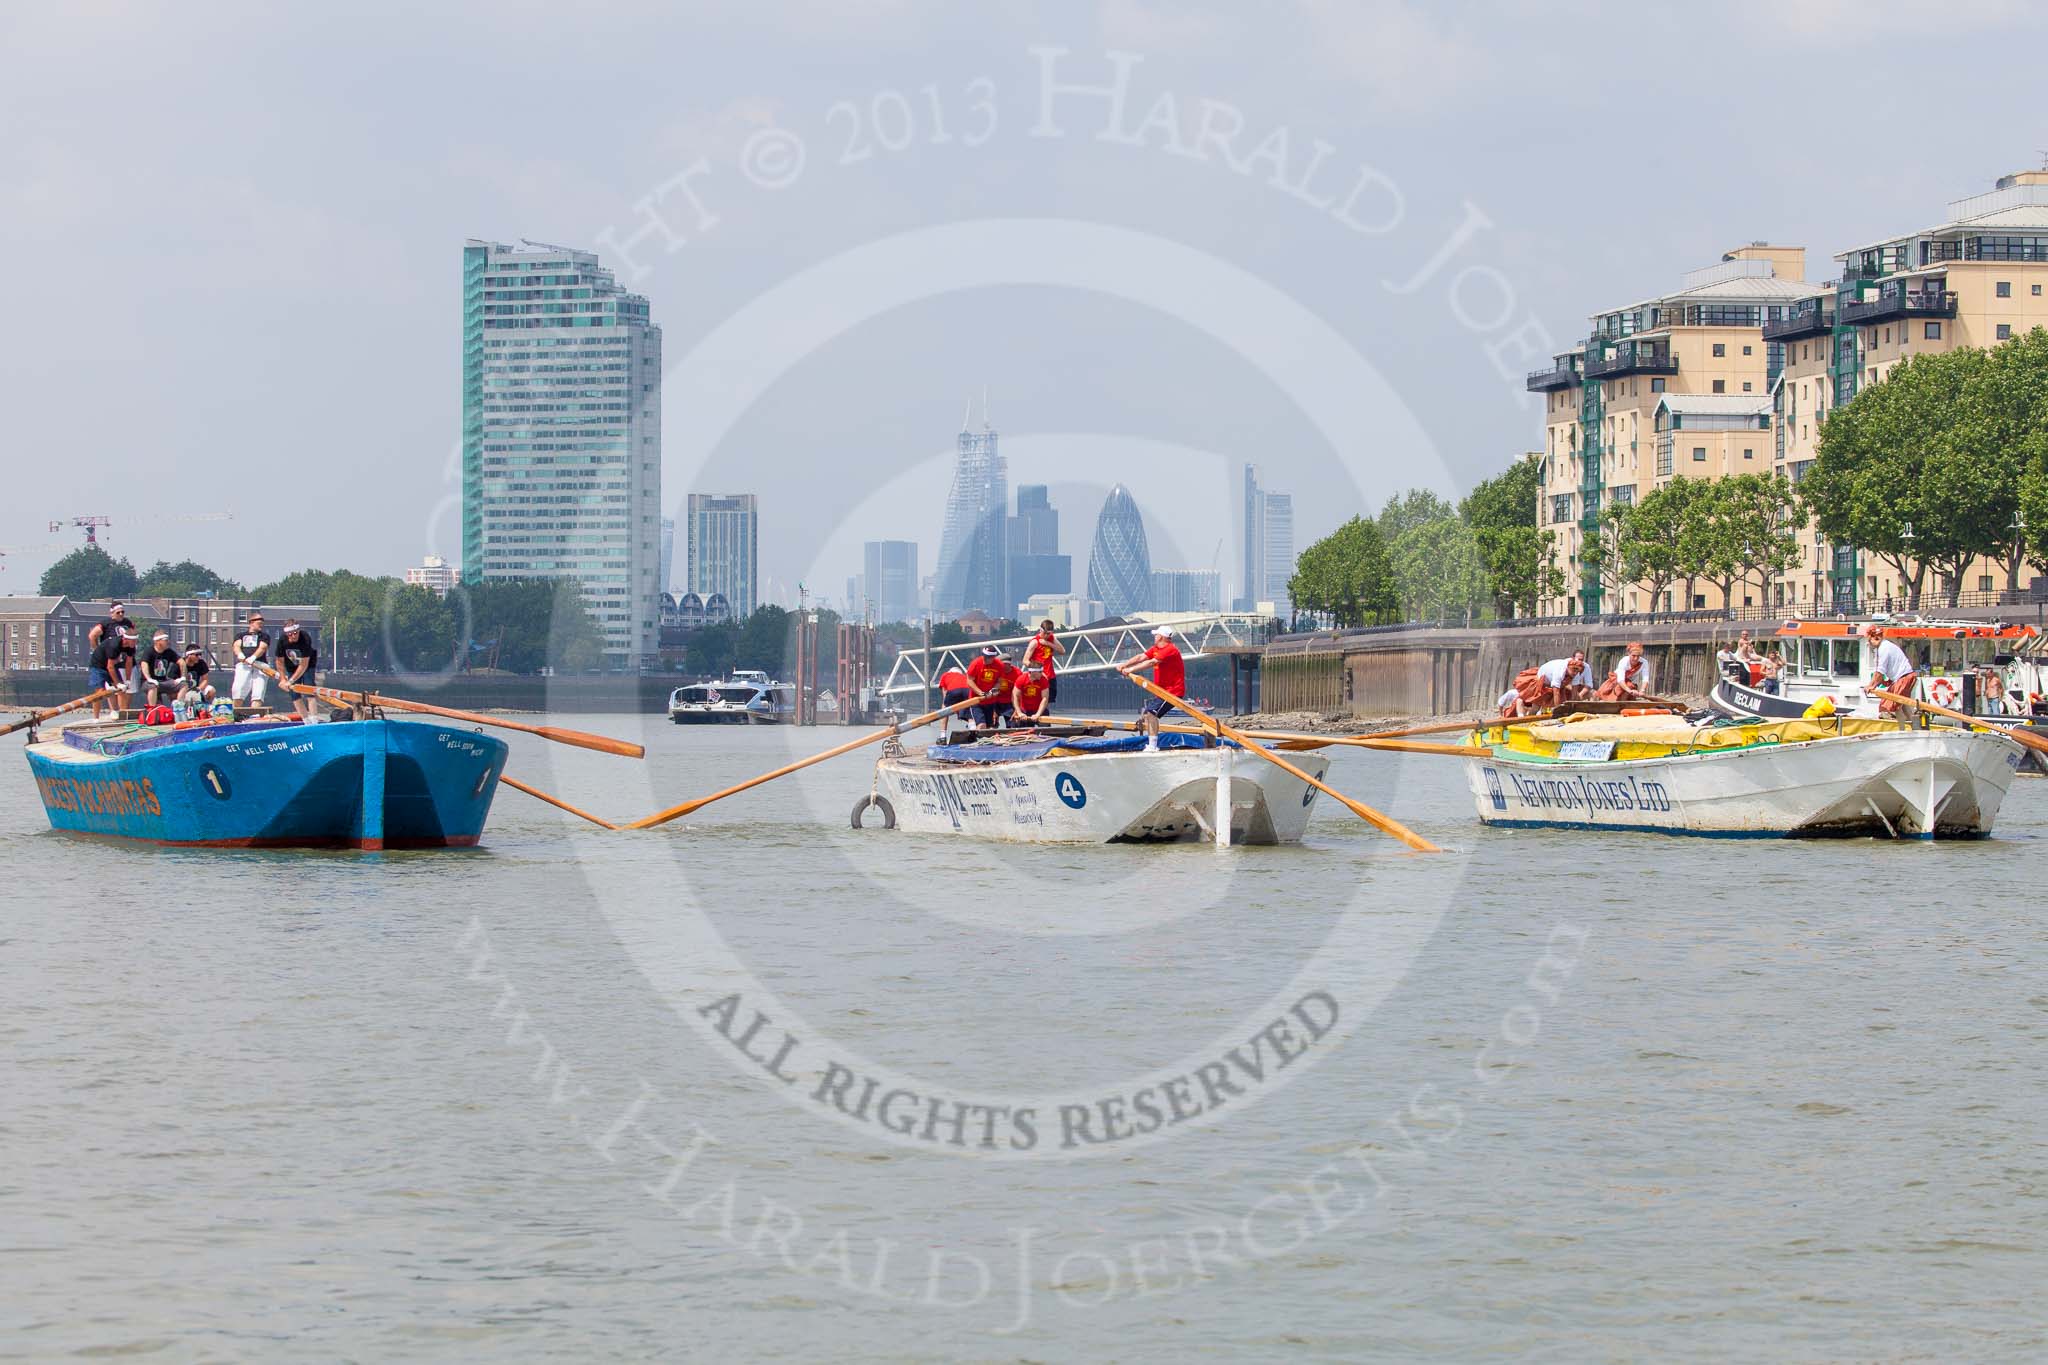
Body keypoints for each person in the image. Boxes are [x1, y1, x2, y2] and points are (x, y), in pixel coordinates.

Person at [1117, 625, 1187, 750]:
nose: (1154, 637)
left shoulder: (1170, 650)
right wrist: (1124, 665)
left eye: (1156, 635)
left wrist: (1130, 670)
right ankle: (1151, 744)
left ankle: (1153, 746)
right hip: (1162, 691)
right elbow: (1140, 657)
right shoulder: (1156, 648)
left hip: (1172, 692)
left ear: (1160, 637)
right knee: (1148, 714)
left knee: (1151, 713)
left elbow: (1151, 662)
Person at [1865, 623, 1918, 716]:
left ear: (1875, 638)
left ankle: (1891, 725)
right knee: (1903, 705)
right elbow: (1882, 674)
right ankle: (1909, 724)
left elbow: (1880, 672)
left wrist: (1870, 686)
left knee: (1886, 707)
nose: (1869, 643)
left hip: (1904, 678)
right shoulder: (1887, 646)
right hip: (1905, 677)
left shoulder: (1884, 648)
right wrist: (1879, 683)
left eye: (1870, 640)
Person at [964, 645, 1018, 731]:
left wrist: (992, 691)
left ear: (993, 657)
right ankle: (979, 741)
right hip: (976, 700)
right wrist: (980, 693)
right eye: (984, 656)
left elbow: (999, 682)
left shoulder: (999, 665)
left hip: (990, 701)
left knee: (990, 727)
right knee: (981, 725)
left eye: (988, 657)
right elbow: (969, 680)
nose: (985, 659)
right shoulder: (976, 663)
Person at [275, 618, 320, 717]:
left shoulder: (305, 638)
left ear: (298, 631)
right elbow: (279, 661)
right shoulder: (282, 640)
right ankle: (306, 721)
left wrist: (290, 681)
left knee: (309, 691)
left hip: (308, 664)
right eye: (290, 634)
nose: (293, 636)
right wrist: (283, 679)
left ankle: (314, 720)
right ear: (287, 634)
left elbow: (303, 665)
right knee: (294, 694)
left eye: (295, 633)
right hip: (291, 664)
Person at [230, 611, 272, 709]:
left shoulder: (264, 636)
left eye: (262, 624)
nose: (261, 625)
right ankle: (236, 713)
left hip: (260, 665)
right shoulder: (241, 635)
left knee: (258, 691)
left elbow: (262, 648)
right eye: (259, 623)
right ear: (251, 623)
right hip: (244, 664)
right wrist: (240, 654)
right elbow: (236, 646)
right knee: (239, 689)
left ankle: (255, 714)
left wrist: (253, 657)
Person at [140, 630, 185, 710]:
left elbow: (182, 662)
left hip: (164, 681)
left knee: (183, 685)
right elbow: (144, 665)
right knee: (152, 686)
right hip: (148, 682)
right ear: (158, 641)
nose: (168, 642)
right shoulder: (149, 651)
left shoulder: (169, 652)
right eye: (165, 640)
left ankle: (178, 708)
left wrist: (182, 677)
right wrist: (149, 678)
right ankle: (152, 711)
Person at [1024, 620, 1065, 707]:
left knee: (1048, 701)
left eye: (1049, 633)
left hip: (1050, 676)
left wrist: (1048, 643)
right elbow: (1025, 660)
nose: (1046, 636)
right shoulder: (1034, 642)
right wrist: (1036, 670)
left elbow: (1062, 651)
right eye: (1045, 633)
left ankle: (1045, 718)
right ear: (1040, 630)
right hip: (1039, 676)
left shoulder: (1051, 638)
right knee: (1039, 701)